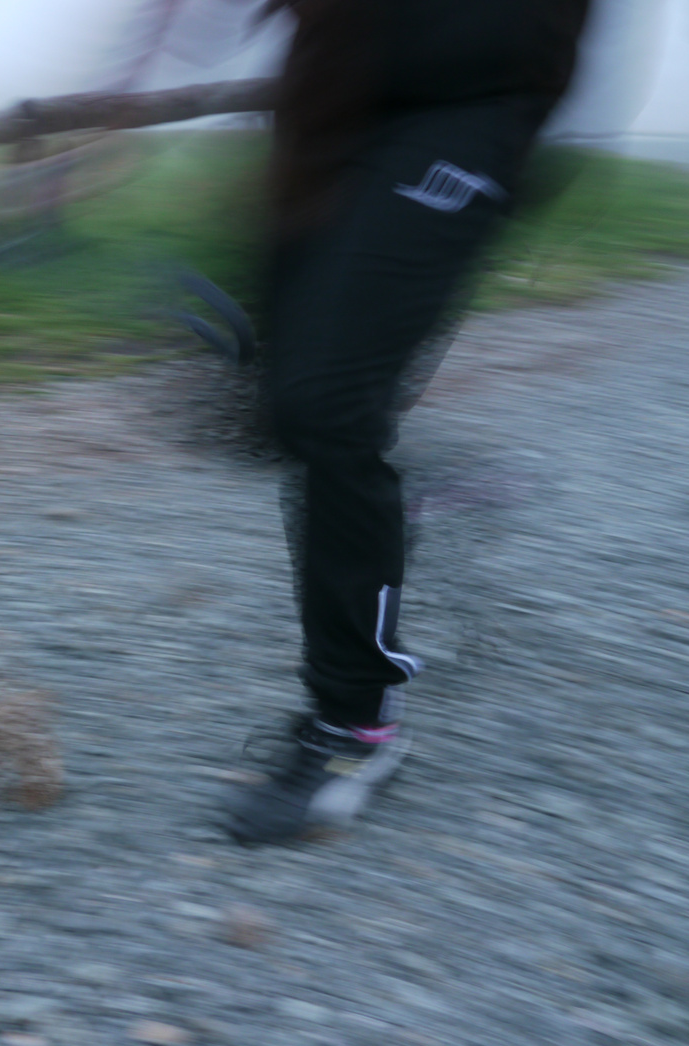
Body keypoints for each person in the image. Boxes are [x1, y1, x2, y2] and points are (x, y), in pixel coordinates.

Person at [223, 0, 592, 844]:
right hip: (326, 102)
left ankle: (355, 729)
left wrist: (525, 110)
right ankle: (397, 508)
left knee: (328, 408)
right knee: (279, 413)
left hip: (465, 109)